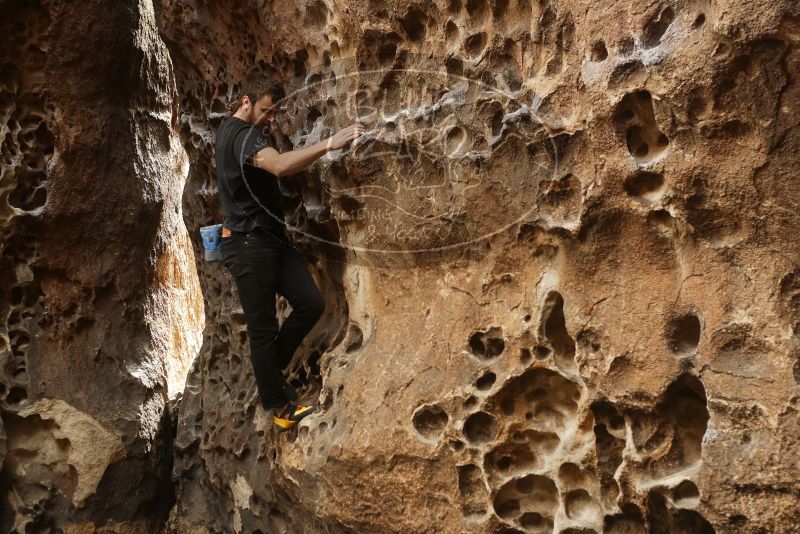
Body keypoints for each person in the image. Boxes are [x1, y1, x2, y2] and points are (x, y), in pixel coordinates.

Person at [215, 73, 365, 432]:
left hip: (270, 240)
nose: (270, 120)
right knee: (262, 328)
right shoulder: (242, 136)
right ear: (246, 103)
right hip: (247, 246)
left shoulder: (229, 131)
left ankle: (268, 371)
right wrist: (330, 143)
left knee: (310, 302)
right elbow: (280, 166)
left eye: (274, 113)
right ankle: (280, 407)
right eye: (265, 111)